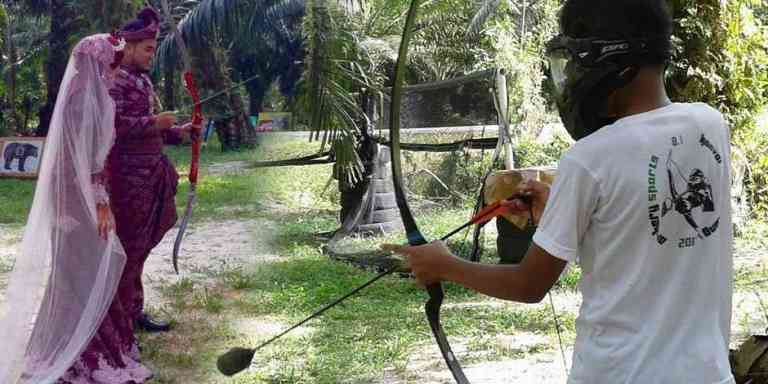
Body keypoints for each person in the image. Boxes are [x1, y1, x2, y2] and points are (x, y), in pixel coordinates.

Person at [385, 1, 734, 383]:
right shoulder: (709, 126)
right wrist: (561, 209)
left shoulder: (589, 159)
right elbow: (637, 236)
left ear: (615, 66)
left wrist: (443, 264)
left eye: (576, 63)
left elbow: (529, 284)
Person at [0, 32, 157, 384]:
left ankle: (75, 343)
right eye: (113, 62)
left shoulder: (88, 95)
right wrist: (100, 205)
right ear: (99, 63)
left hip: (79, 198)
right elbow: (83, 164)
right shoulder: (86, 100)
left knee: (80, 271)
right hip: (80, 200)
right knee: (86, 271)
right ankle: (84, 352)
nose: (116, 69)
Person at [108, 7, 196, 333]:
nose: (151, 56)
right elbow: (112, 127)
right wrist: (154, 122)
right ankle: (119, 323)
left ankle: (134, 311)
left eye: (153, 49)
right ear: (128, 46)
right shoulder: (115, 80)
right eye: (147, 49)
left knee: (141, 247)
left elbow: (151, 129)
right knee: (129, 249)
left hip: (150, 172)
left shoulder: (143, 81)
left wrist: (179, 131)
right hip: (128, 178)